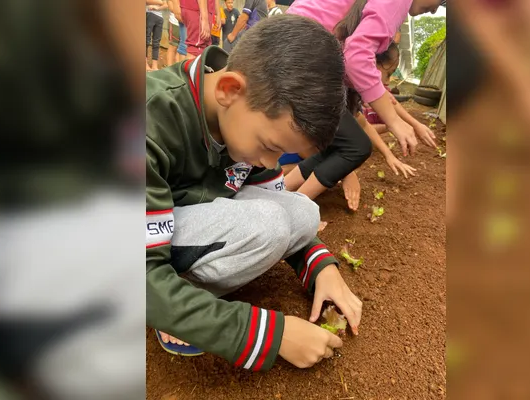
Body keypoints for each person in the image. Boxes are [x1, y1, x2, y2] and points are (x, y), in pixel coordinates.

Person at [146, 15, 362, 370]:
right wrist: (268, 335)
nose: (270, 161)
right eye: (269, 146)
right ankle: (180, 303)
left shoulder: (246, 115)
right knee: (266, 222)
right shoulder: (148, 119)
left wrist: (320, 265)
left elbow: (280, 204)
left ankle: (181, 299)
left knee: (302, 210)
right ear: (229, 89)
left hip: (179, 219)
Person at [283, 0, 441, 212]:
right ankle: (292, 213)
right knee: (355, 146)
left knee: (341, 144)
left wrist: (405, 124)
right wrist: (394, 123)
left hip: (292, 46)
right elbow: (356, 56)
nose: (436, 9)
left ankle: (281, 193)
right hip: (300, 56)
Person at [146, 0, 168, 71]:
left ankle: (154, 66)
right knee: (146, 40)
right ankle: (145, 65)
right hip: (149, 14)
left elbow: (166, 4)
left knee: (157, 42)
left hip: (160, 17)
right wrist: (160, 2)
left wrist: (158, 8)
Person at [167, 0, 181, 66]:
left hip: (184, 24)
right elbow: (171, 8)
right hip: (174, 23)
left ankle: (177, 68)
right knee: (173, 46)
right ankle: (168, 68)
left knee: (180, 48)